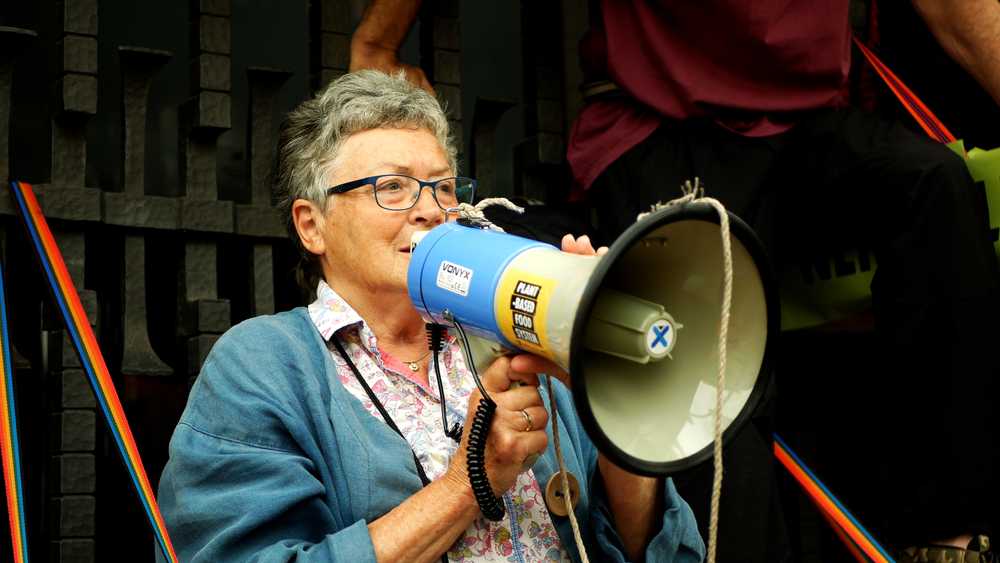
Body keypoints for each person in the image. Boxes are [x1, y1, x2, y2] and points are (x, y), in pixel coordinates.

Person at [349, 1, 1000, 561]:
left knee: (936, 189)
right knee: (710, 361)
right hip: (664, 120)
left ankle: (945, 535)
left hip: (804, 123)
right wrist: (377, 42)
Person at [155, 70, 705, 562]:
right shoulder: (262, 365)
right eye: (391, 187)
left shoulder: (518, 332)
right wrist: (471, 481)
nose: (429, 210)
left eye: (443, 187)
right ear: (311, 225)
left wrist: (615, 394)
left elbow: (654, 551)